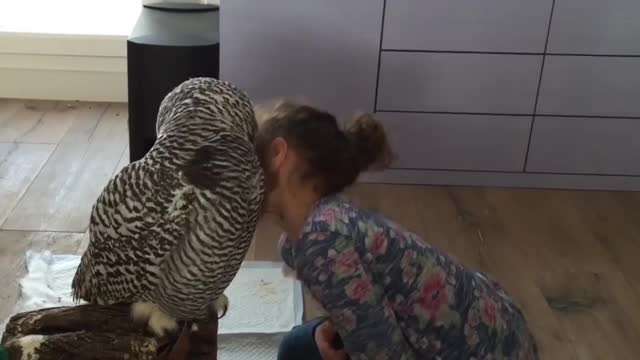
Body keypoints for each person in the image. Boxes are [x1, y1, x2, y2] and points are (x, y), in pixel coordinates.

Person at [253, 101, 539, 360]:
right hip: (493, 328)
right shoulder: (319, 225)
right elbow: (367, 311)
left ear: (278, 153)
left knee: (298, 352)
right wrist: (339, 328)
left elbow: (382, 352)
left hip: (481, 350)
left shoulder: (321, 241)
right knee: (299, 346)